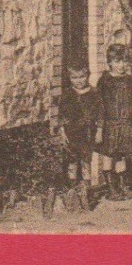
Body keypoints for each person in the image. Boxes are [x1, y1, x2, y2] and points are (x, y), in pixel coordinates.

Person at [93, 43, 132, 201]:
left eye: (124, 61)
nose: (121, 65)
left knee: (122, 156)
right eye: (117, 61)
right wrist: (100, 129)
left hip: (126, 123)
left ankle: (123, 186)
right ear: (109, 63)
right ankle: (111, 188)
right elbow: (100, 106)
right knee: (109, 155)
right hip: (110, 124)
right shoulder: (105, 81)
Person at [49, 67, 100, 213]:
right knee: (72, 162)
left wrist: (99, 130)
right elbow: (62, 115)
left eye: (82, 77)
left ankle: (87, 195)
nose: (79, 81)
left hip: (87, 133)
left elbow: (100, 112)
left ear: (87, 77)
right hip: (71, 133)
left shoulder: (94, 93)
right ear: (70, 79)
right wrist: (62, 131)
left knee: (85, 162)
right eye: (75, 78)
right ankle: (73, 194)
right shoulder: (67, 94)